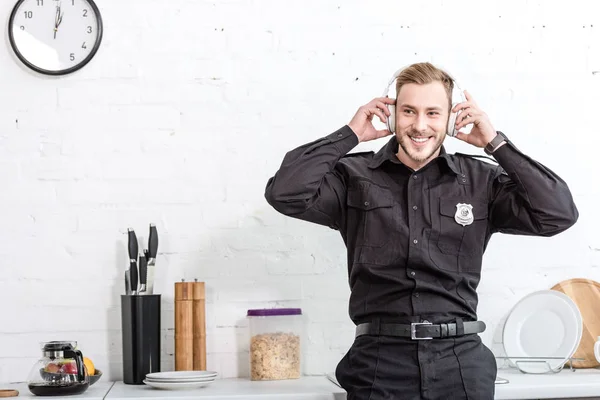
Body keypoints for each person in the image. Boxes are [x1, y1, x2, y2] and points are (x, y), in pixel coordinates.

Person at [264, 62, 578, 399]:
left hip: (461, 364)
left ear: (450, 119)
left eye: (432, 113)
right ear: (391, 113)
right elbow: (284, 193)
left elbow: (557, 214)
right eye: (409, 111)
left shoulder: (480, 181)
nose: (420, 125)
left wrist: (495, 143)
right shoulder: (352, 176)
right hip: (378, 365)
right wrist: (350, 135)